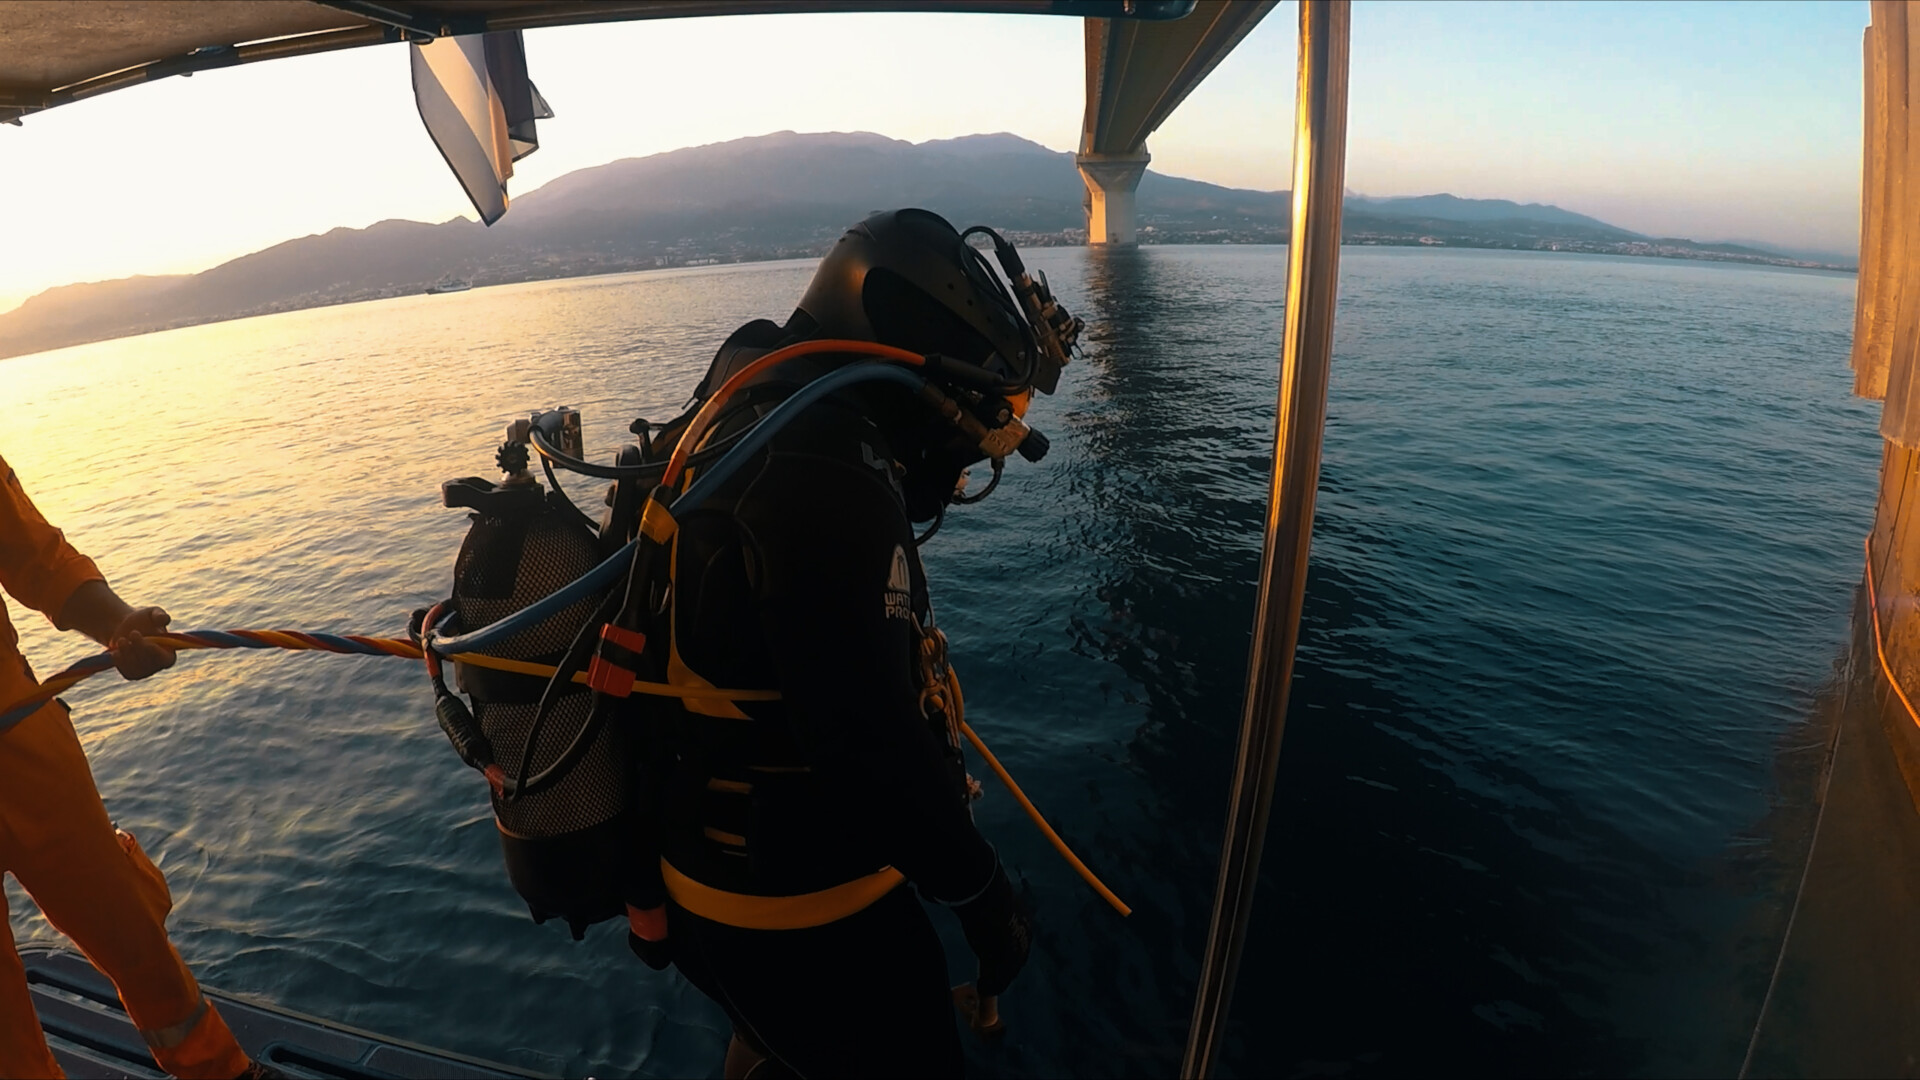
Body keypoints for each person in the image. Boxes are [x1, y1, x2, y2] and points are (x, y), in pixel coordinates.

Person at [623, 209, 1072, 1077]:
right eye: (961, 432)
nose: (954, 468)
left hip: (702, 884)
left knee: (778, 1050)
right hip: (799, 911)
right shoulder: (825, 460)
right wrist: (985, 902)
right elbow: (866, 741)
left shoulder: (744, 394)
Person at [0, 452, 272, 1079]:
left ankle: (220, 1071)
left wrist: (117, 624)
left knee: (126, 921)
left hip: (21, 733)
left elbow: (37, 556)